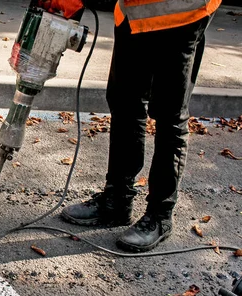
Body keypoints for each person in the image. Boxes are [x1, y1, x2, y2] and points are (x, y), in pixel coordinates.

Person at [52, 0, 221, 252]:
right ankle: (117, 200)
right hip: (135, 14)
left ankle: (160, 216)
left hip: (183, 13)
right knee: (124, 101)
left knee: (169, 115)